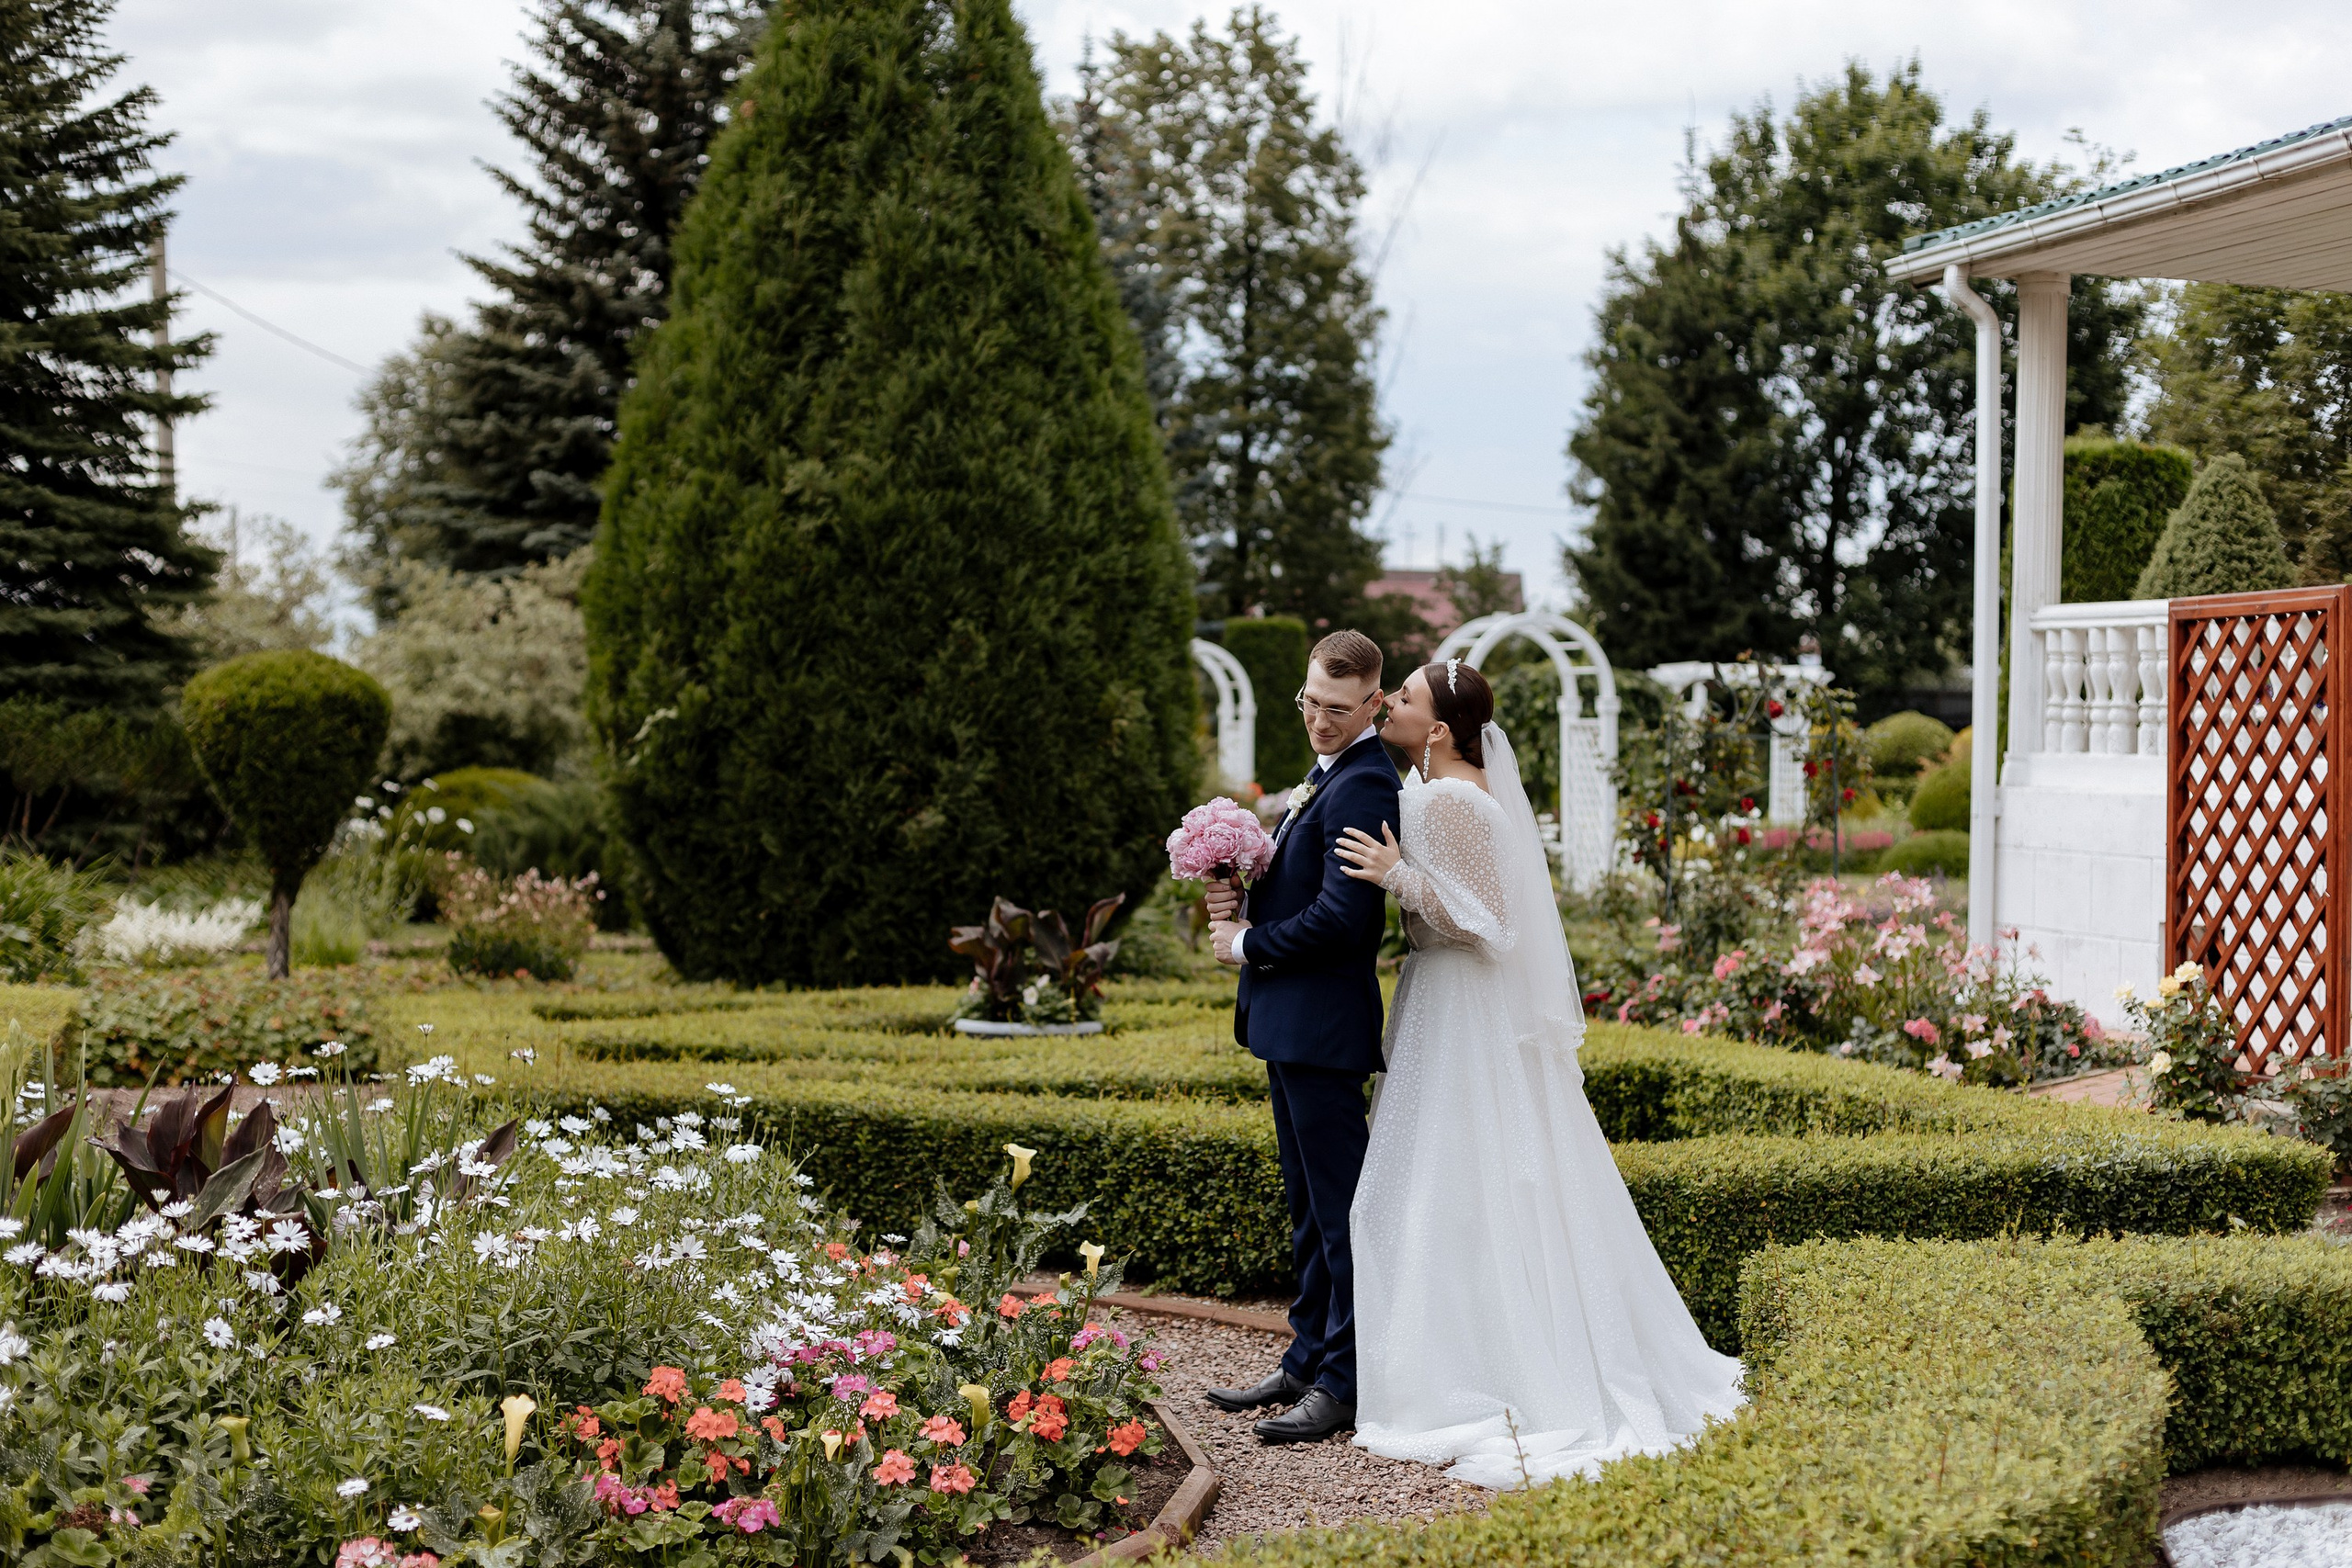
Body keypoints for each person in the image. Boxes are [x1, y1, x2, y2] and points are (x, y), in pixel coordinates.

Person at [1329, 659, 1745, 1488]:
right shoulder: (1446, 790)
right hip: (1447, 999)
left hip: (1461, 1003)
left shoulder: (1448, 798)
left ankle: (1463, 1369)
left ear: (1439, 728)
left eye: (1402, 699)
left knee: (1434, 1183)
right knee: (1463, 1182)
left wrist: (1398, 875)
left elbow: (1494, 926)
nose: (1388, 708)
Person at [1201, 628, 1401, 1445]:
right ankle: (1305, 1355)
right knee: (1306, 1207)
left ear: (1374, 706)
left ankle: (1344, 1382)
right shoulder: (1325, 776)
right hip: (1292, 1025)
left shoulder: (1363, 784)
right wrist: (1240, 885)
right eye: (1309, 702)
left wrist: (1247, 942)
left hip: (1323, 1027)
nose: (1318, 719)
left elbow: (1343, 921)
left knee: (1340, 1213)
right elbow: (1301, 885)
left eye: (1337, 708)